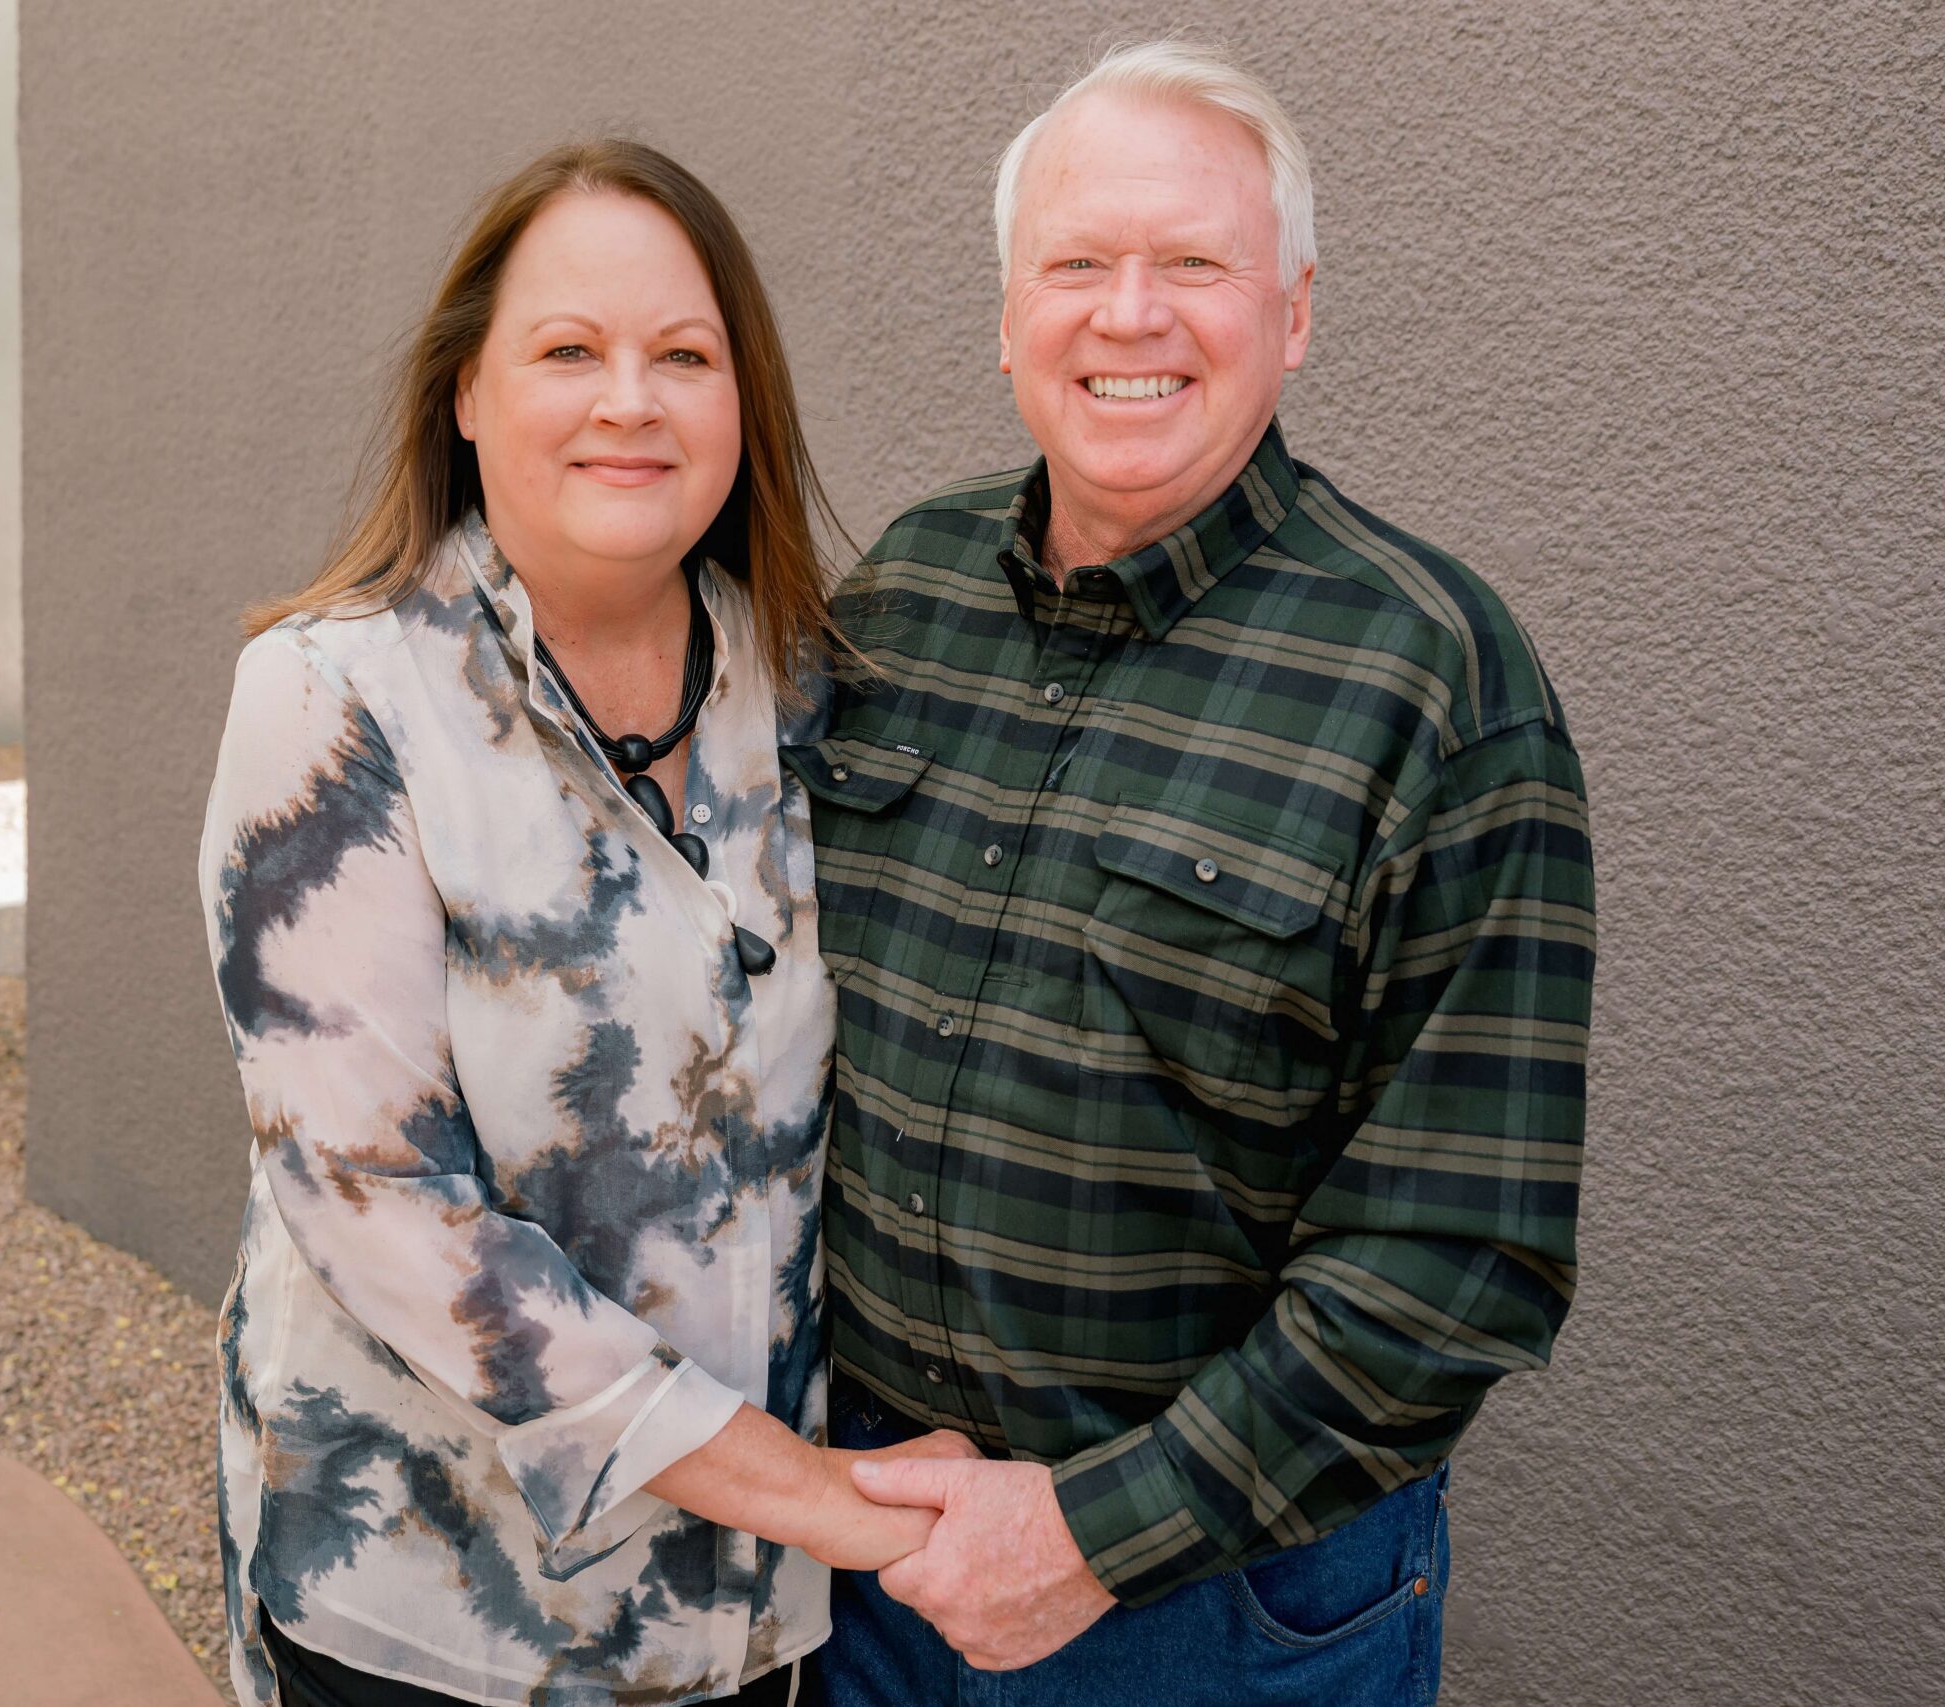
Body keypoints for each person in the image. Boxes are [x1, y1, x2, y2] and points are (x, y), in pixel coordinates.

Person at [793, 41, 1597, 1707]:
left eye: (1195, 264)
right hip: (868, 1544)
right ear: (1010, 315)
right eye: (1077, 264)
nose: (1129, 313)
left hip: (1212, 1610)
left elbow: (1458, 1258)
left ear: (1292, 315)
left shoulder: (1434, 684)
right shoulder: (901, 599)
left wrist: (1087, 1536)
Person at [196, 140, 970, 1707]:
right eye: (569, 351)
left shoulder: (814, 688)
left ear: (742, 405)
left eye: (684, 356)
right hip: (442, 1612)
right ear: (466, 393)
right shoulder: (337, 701)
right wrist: (809, 1491)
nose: (632, 399)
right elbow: (380, 1202)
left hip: (749, 1622)